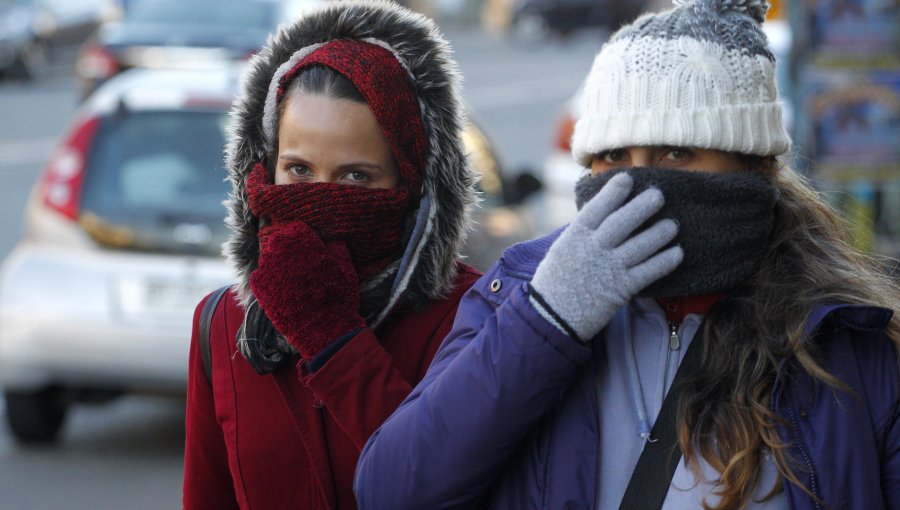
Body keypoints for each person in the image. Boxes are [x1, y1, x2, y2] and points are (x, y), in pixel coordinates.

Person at [354, 1, 900, 509]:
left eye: (677, 151)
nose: (637, 183)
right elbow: (393, 489)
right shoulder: (520, 292)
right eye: (613, 156)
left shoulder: (848, 344)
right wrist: (546, 321)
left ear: (753, 164)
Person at [181, 1, 481, 508]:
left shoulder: (470, 318)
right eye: (298, 170)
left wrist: (335, 341)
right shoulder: (222, 325)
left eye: (355, 176)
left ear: (409, 185)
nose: (321, 196)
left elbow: (442, 486)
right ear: (264, 167)